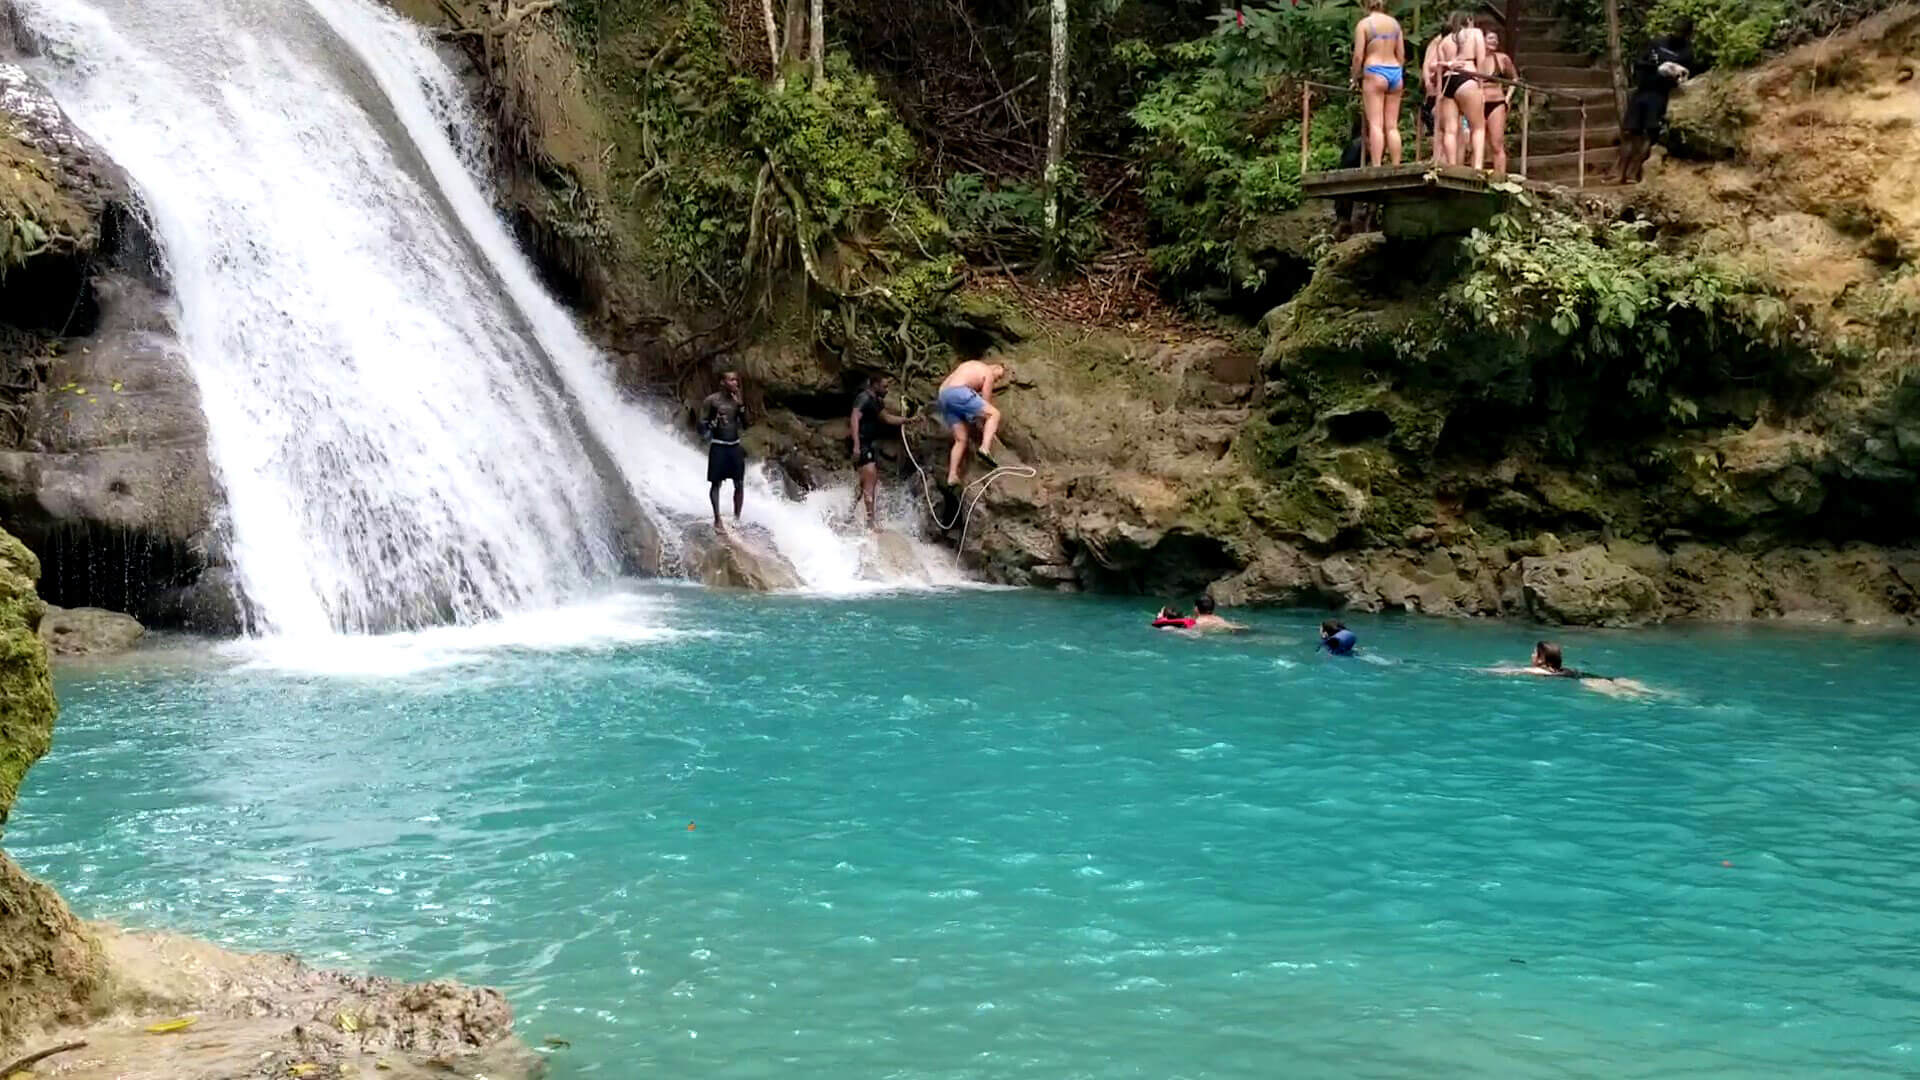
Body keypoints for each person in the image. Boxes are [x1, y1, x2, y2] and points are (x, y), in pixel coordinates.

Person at [1615, 18, 1698, 184]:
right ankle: (1618, 173)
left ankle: (1633, 172)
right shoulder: (1657, 43)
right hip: (1643, 91)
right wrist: (1656, 66)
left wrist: (1676, 75)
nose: (1676, 35)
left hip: (1659, 95)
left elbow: (1686, 76)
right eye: (1674, 31)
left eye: (1681, 33)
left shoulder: (1687, 52)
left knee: (1648, 135)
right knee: (1630, 132)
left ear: (1688, 35)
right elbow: (1639, 62)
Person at [1489, 641, 1653, 698]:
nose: (1531, 655)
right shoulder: (1560, 669)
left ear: (1541, 659)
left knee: (1628, 697)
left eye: (1534, 653)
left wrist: (1484, 672)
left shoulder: (1541, 671)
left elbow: (1513, 672)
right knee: (1638, 691)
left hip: (1588, 682)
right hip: (1595, 677)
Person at [849, 372, 908, 531]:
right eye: (884, 386)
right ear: (874, 385)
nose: (887, 389)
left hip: (869, 444)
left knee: (865, 482)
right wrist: (856, 445)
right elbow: (854, 419)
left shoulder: (876, 401)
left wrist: (908, 420)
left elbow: (887, 418)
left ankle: (849, 515)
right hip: (862, 444)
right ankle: (870, 522)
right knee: (870, 479)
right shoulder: (863, 398)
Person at [1350, 0, 1406, 167]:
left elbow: (1358, 56)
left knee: (1376, 124)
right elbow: (1401, 54)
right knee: (1392, 126)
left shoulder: (1364, 25)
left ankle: (1376, 166)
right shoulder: (1395, 25)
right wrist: (1398, 73)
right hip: (1395, 71)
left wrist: (1354, 76)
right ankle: (1396, 165)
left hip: (1375, 71)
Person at [935, 359, 1006, 487]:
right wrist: (983, 423)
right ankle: (985, 448)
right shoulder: (987, 371)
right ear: (994, 367)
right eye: (998, 376)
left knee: (961, 439)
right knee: (994, 414)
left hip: (943, 397)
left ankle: (952, 475)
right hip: (958, 392)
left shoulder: (968, 365)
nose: (997, 380)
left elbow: (944, 387)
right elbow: (986, 399)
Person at [1437, 11, 1489, 169]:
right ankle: (1478, 166)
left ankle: (1452, 166)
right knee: (1478, 126)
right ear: (1468, 20)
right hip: (1468, 76)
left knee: (1450, 129)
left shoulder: (1444, 41)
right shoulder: (1475, 33)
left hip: (1448, 80)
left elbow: (1440, 67)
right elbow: (1481, 60)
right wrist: (1481, 86)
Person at [699, 369, 750, 531]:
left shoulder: (738, 401)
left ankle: (737, 519)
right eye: (731, 380)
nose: (735, 383)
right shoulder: (711, 401)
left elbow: (747, 424)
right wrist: (713, 423)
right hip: (719, 446)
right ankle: (717, 519)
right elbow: (701, 426)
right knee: (716, 484)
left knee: (739, 484)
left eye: (736, 380)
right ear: (722, 382)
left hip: (734, 446)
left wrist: (741, 407)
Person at [1483, 30, 1519, 175]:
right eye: (1491, 38)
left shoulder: (1502, 58)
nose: (1494, 41)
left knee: (1496, 143)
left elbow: (1514, 79)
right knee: (1477, 144)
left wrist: (1507, 97)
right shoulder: (1474, 58)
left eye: (1496, 39)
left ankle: (1500, 177)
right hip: (1477, 102)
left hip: (1496, 102)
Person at [1420, 29, 1448, 165]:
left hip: (1444, 85)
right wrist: (1427, 81)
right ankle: (1439, 156)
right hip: (1436, 86)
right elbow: (1428, 64)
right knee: (1439, 122)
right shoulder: (1438, 42)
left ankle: (1443, 157)